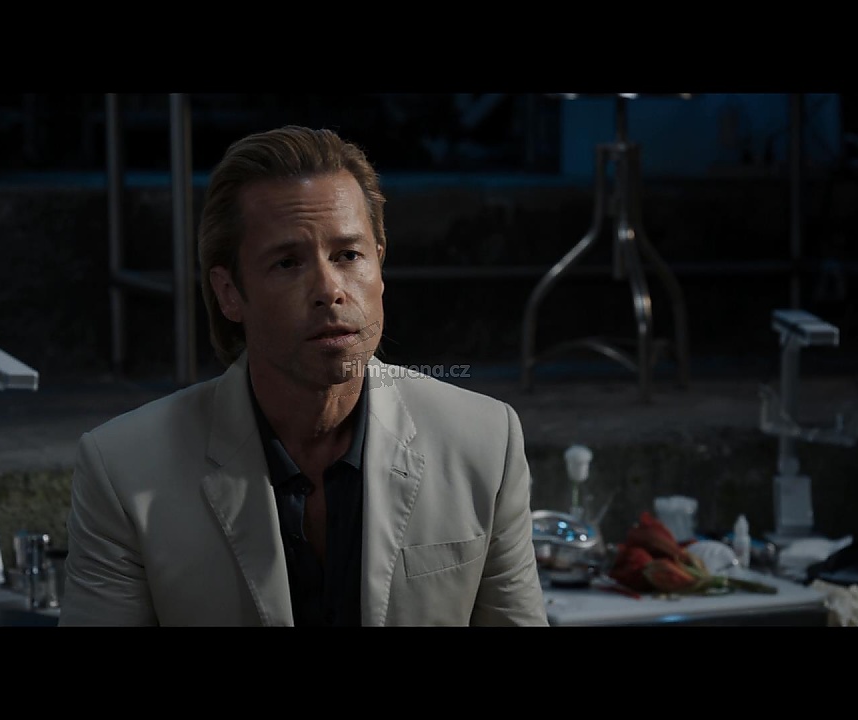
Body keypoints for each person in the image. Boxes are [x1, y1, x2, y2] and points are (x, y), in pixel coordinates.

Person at [59, 125, 547, 626]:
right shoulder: (125, 470)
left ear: (379, 266)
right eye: (288, 262)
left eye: (348, 255)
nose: (329, 289)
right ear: (229, 293)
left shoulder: (484, 441)